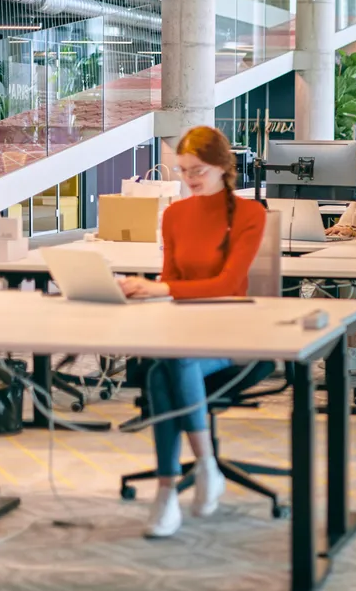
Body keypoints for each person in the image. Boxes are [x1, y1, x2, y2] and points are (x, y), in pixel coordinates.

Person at [118, 126, 266, 538]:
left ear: (221, 165)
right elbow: (171, 281)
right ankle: (190, 476)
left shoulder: (251, 214)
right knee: (163, 366)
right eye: (183, 171)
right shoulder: (174, 215)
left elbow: (227, 283)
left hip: (237, 340)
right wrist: (141, 292)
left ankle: (183, 479)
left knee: (166, 366)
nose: (190, 179)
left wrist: (161, 288)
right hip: (185, 332)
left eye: (197, 169)